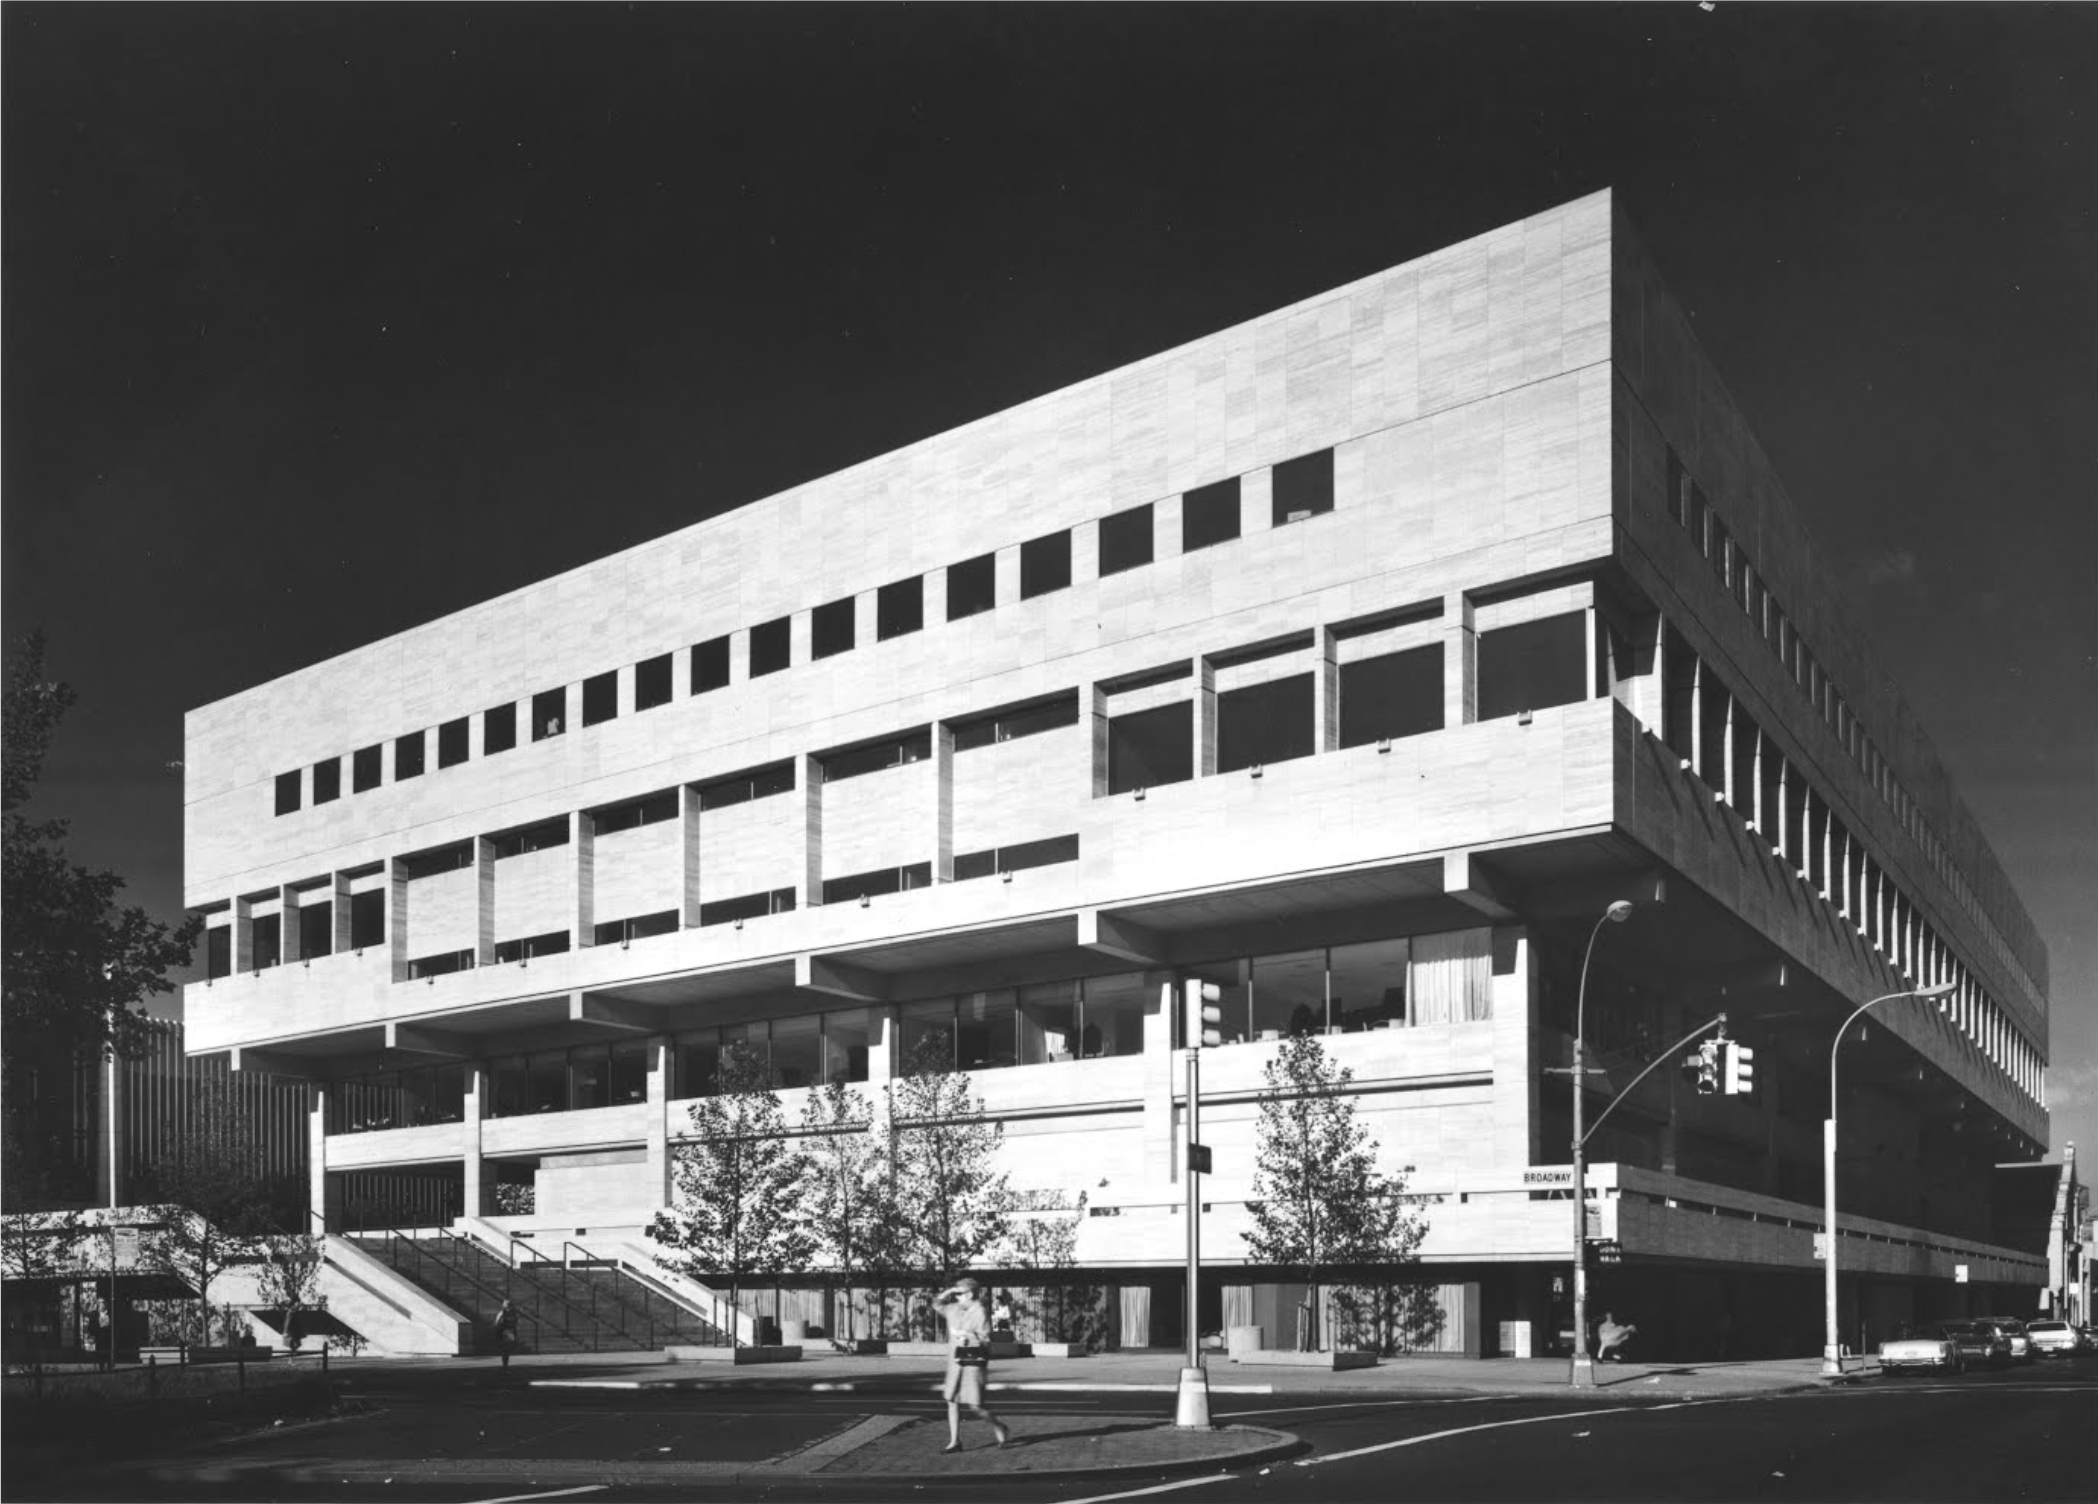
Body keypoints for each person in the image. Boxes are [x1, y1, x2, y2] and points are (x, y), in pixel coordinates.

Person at [933, 1277, 1010, 1454]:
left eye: (959, 1294)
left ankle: (999, 1426)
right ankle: (954, 1441)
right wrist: (948, 1292)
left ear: (969, 1294)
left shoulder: (980, 1312)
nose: (956, 1297)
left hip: (973, 1363)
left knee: (976, 1405)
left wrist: (968, 1336)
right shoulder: (953, 1309)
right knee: (952, 1401)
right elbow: (937, 1304)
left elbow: (985, 1339)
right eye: (955, 1294)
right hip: (955, 1362)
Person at [493, 1298, 521, 1369]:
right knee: (506, 1350)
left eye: (510, 1305)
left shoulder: (513, 1313)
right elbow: (496, 1323)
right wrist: (498, 1332)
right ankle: (505, 1366)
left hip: (510, 1332)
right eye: (508, 1305)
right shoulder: (502, 1313)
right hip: (504, 1332)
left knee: (508, 1350)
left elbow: (515, 1323)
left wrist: (515, 1332)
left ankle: (505, 1365)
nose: (509, 1307)